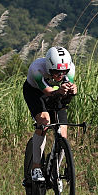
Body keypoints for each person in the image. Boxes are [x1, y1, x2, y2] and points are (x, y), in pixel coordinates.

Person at [23, 46, 78, 183]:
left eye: (63, 72)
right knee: (44, 121)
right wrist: (60, 91)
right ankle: (36, 167)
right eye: (55, 72)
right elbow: (48, 93)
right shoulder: (37, 69)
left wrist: (72, 91)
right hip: (36, 93)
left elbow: (64, 96)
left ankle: (56, 171)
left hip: (55, 92)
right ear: (48, 67)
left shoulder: (70, 69)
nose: (59, 75)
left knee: (63, 132)